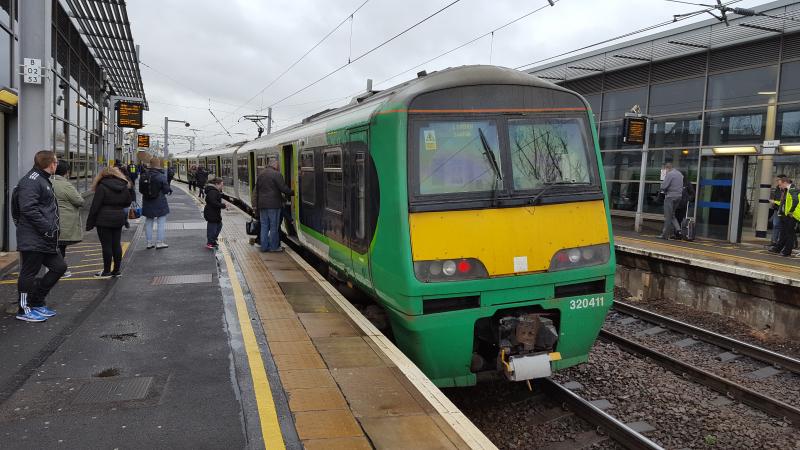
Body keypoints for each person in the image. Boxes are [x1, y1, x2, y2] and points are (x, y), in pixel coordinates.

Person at [13, 150, 67, 322]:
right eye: (56, 162)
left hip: (44, 238)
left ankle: (36, 302)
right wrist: (47, 228)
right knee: (29, 273)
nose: (57, 165)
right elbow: (28, 209)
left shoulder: (42, 179)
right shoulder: (32, 181)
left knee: (59, 267)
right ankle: (24, 309)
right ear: (50, 164)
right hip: (34, 237)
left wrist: (49, 231)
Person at [86, 166, 132, 277]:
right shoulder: (123, 185)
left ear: (101, 175)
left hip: (103, 219)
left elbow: (95, 206)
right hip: (118, 218)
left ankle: (106, 271)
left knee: (106, 246)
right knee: (116, 244)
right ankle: (116, 270)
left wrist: (90, 223)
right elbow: (128, 202)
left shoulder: (102, 186)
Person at [52, 160, 84, 278]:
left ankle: (57, 268)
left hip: (48, 220)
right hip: (63, 220)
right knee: (60, 246)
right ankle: (61, 269)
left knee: (54, 245)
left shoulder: (46, 181)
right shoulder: (66, 185)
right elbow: (79, 201)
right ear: (66, 172)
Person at [253, 159, 293, 252]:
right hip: (273, 205)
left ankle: (264, 247)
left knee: (264, 226)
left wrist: (256, 205)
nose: (279, 167)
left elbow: (257, 190)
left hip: (262, 205)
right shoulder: (277, 174)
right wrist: (293, 192)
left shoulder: (261, 174)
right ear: (275, 165)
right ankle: (274, 247)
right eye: (278, 165)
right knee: (273, 227)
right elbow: (283, 189)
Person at [141, 157, 172, 249]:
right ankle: (159, 242)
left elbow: (140, 190)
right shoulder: (161, 176)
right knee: (161, 222)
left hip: (147, 201)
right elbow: (166, 190)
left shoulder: (143, 175)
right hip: (160, 202)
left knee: (149, 222)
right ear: (158, 165)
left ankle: (149, 243)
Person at [770, 177, 799, 257]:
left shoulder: (793, 190)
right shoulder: (788, 190)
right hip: (787, 215)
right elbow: (785, 203)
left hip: (793, 215)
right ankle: (779, 248)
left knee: (789, 234)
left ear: (785, 183)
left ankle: (787, 252)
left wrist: (791, 211)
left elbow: (796, 201)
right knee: (784, 233)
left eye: (780, 185)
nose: (780, 187)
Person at [658, 163, 684, 240]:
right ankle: (679, 231)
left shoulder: (670, 174)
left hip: (670, 197)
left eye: (665, 170)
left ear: (667, 168)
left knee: (668, 217)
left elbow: (663, 186)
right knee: (672, 215)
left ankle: (664, 235)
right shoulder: (680, 174)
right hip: (678, 197)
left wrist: (663, 188)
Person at [203, 178, 227, 249]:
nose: (222, 187)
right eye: (221, 185)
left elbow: (214, 201)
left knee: (219, 225)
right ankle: (210, 242)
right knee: (212, 228)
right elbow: (213, 202)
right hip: (211, 213)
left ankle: (212, 241)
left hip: (213, 212)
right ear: (216, 184)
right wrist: (223, 205)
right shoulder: (213, 191)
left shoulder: (213, 191)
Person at [770, 174, 787, 248]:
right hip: (777, 209)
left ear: (782, 180)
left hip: (783, 210)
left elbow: (784, 201)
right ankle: (774, 241)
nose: (777, 181)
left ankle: (780, 242)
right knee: (775, 225)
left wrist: (775, 202)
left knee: (782, 226)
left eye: (778, 180)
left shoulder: (786, 189)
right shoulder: (777, 188)